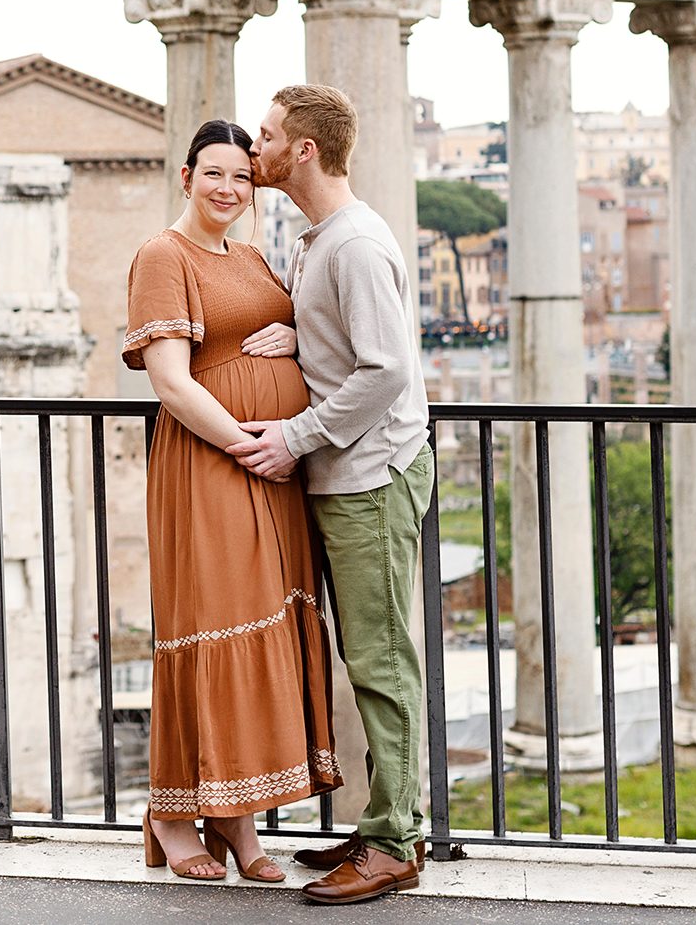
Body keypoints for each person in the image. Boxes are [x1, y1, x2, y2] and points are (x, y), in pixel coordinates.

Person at [227, 84, 435, 905]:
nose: (256, 149)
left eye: (269, 136)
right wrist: (299, 336)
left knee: (382, 660)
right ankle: (389, 819)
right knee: (367, 653)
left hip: (369, 477)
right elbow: (348, 346)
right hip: (352, 476)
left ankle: (395, 843)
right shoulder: (324, 240)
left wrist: (295, 434)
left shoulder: (350, 244)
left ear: (303, 150)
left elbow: (387, 369)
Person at [122, 118, 340, 884]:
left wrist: (290, 334)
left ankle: (239, 822)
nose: (228, 188)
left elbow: (291, 329)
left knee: (262, 625)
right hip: (212, 462)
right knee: (210, 624)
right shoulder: (163, 254)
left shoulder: (251, 255)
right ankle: (177, 817)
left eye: (242, 177)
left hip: (269, 470)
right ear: (187, 177)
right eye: (213, 173)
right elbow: (173, 380)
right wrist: (249, 444)